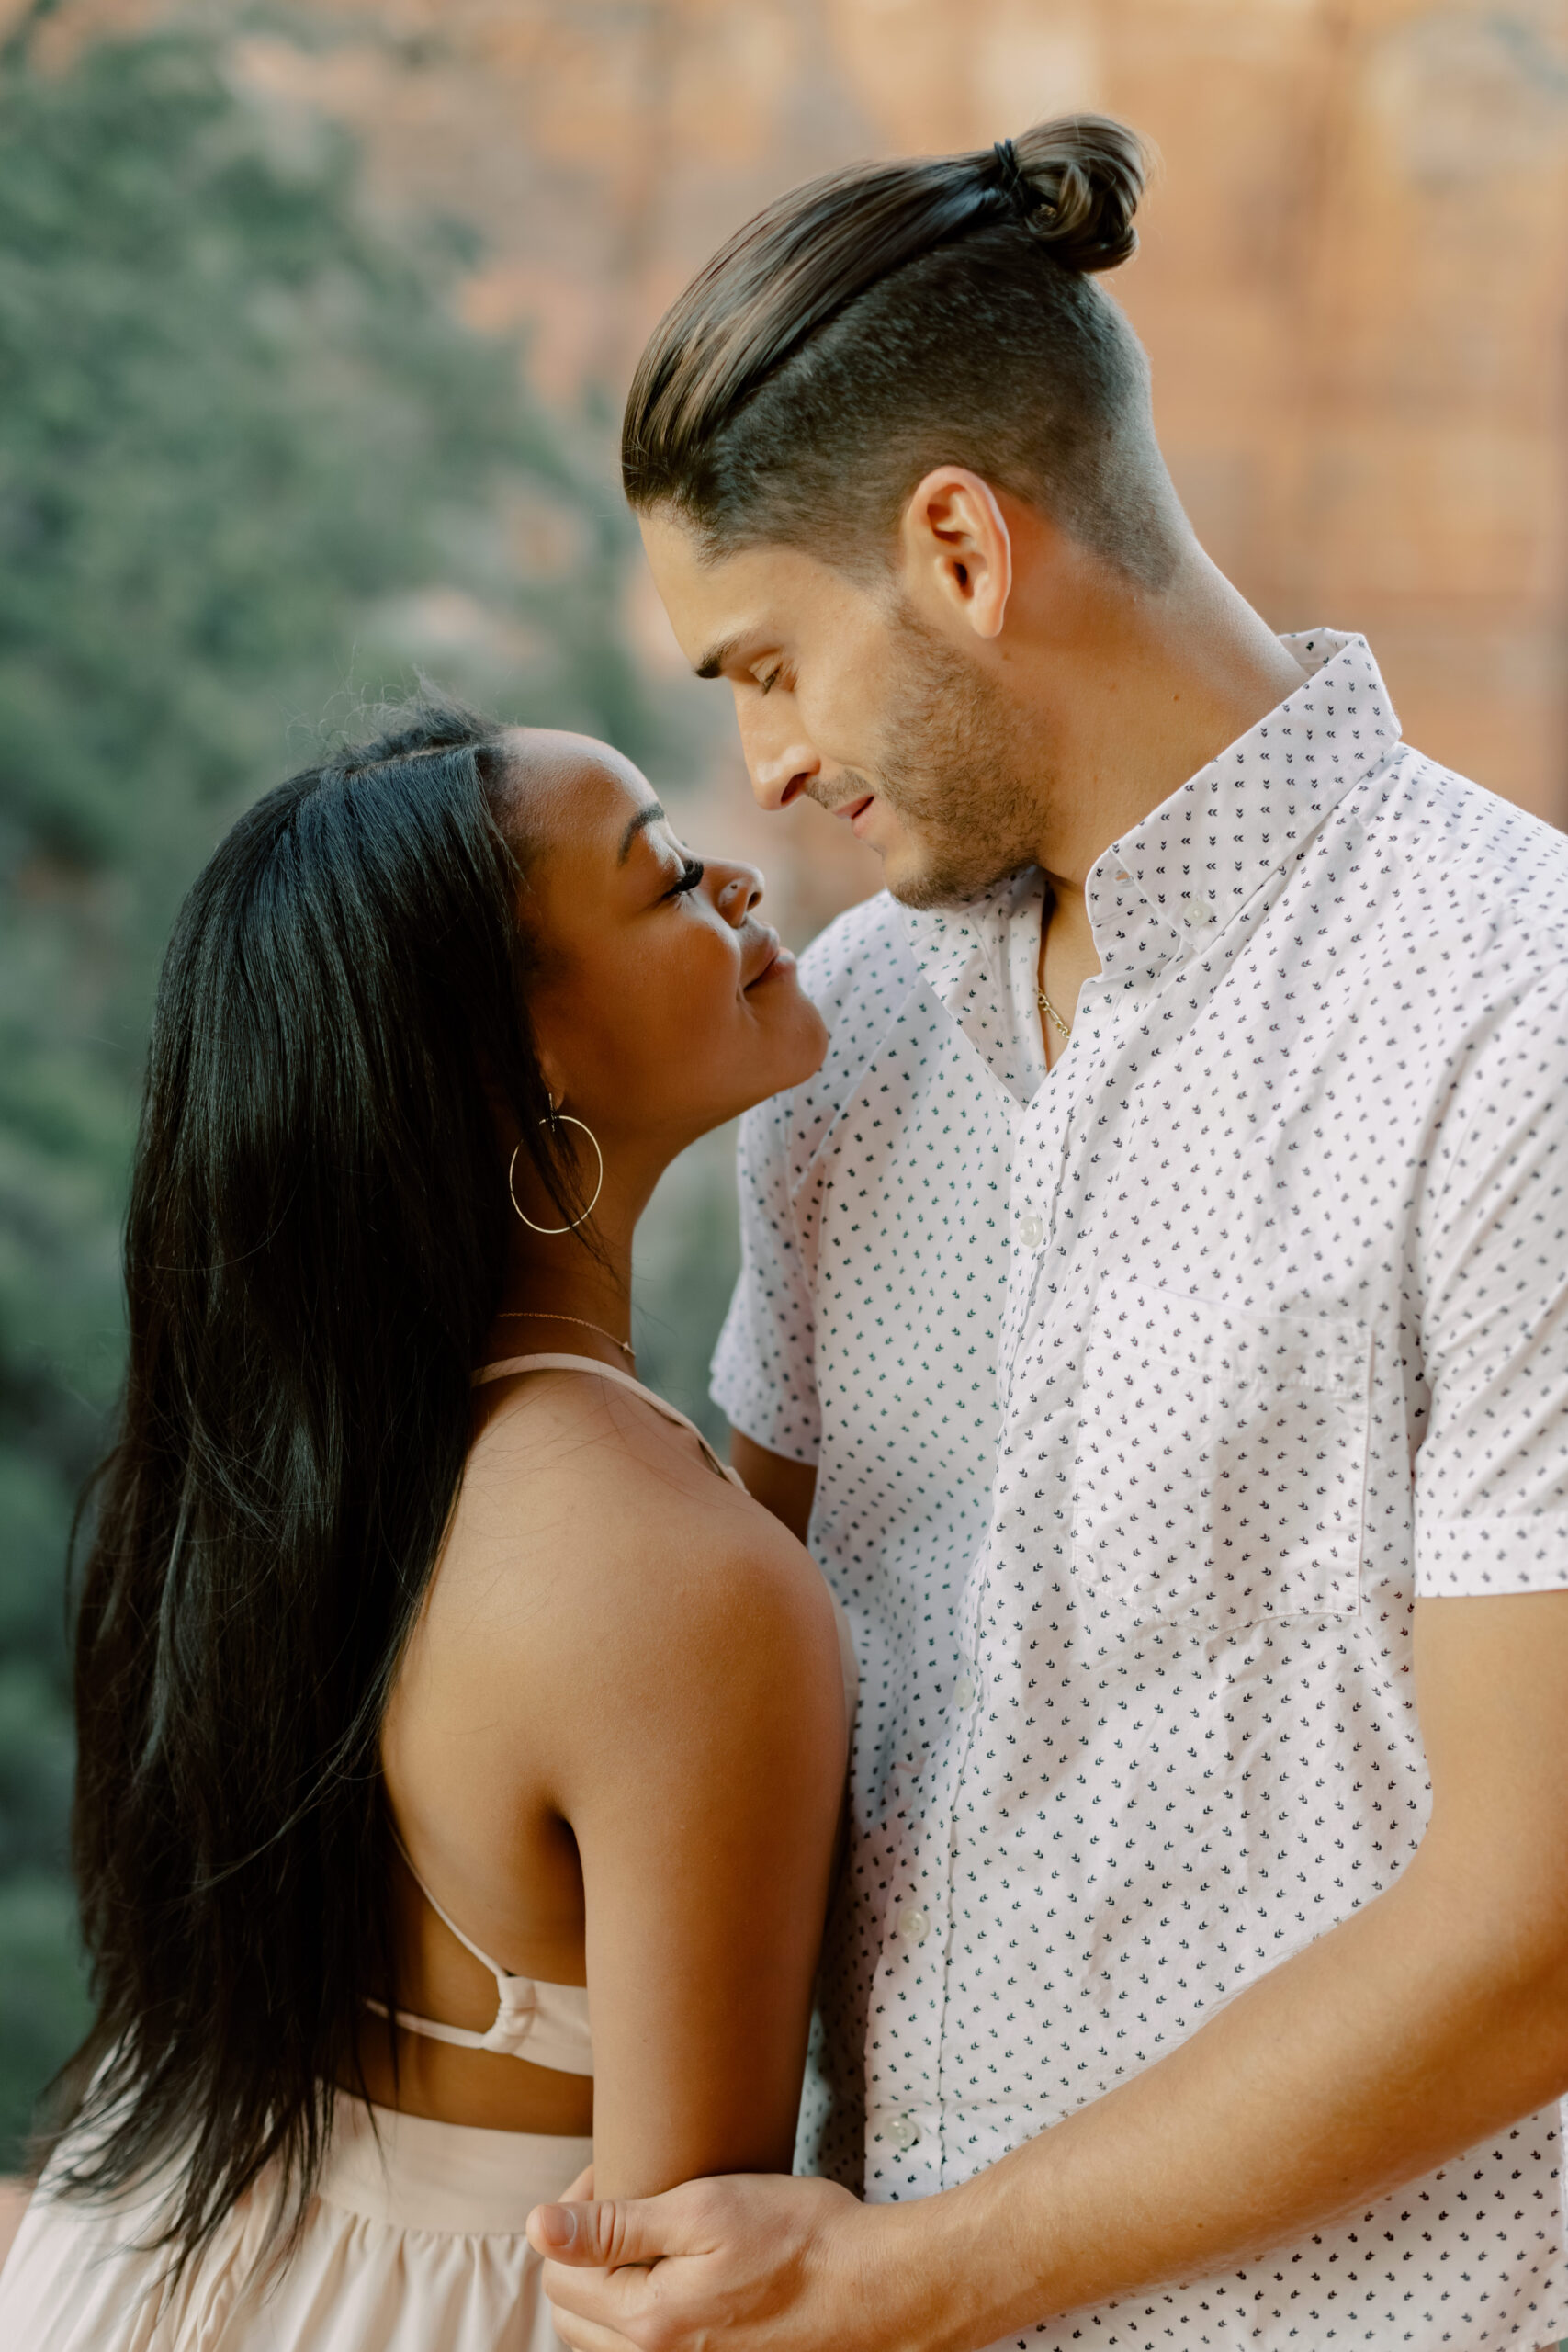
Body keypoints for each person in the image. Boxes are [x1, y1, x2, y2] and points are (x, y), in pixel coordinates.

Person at [530, 116, 1568, 2352]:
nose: (765, 765)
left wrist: (913, 2275)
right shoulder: (851, 1046)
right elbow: (732, 1708)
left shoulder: (1517, 1013)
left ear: (957, 547)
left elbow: (1540, 1913)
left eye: (763, 664)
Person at [0, 703, 854, 2349]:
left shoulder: (292, 1462)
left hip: (138, 2271)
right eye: (667, 877)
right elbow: (684, 2301)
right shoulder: (672, 1585)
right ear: (513, 1060)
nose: (742, 882)